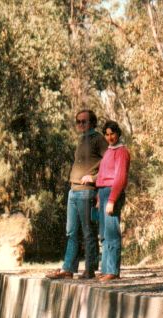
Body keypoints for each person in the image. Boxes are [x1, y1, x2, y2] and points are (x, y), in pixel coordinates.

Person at [46, 110, 107, 280]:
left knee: (88, 232)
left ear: (92, 122)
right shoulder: (82, 140)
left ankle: (89, 270)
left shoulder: (99, 139)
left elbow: (109, 161)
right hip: (73, 191)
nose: (80, 125)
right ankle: (68, 269)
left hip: (86, 192)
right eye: (78, 122)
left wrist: (94, 178)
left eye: (84, 122)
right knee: (71, 232)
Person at [96, 120, 130, 281]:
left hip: (112, 193)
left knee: (112, 232)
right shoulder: (109, 151)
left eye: (113, 134)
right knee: (103, 234)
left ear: (118, 134)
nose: (110, 137)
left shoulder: (122, 151)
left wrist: (112, 200)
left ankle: (113, 271)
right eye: (107, 134)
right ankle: (105, 269)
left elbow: (120, 177)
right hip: (103, 193)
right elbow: (102, 176)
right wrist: (98, 198)